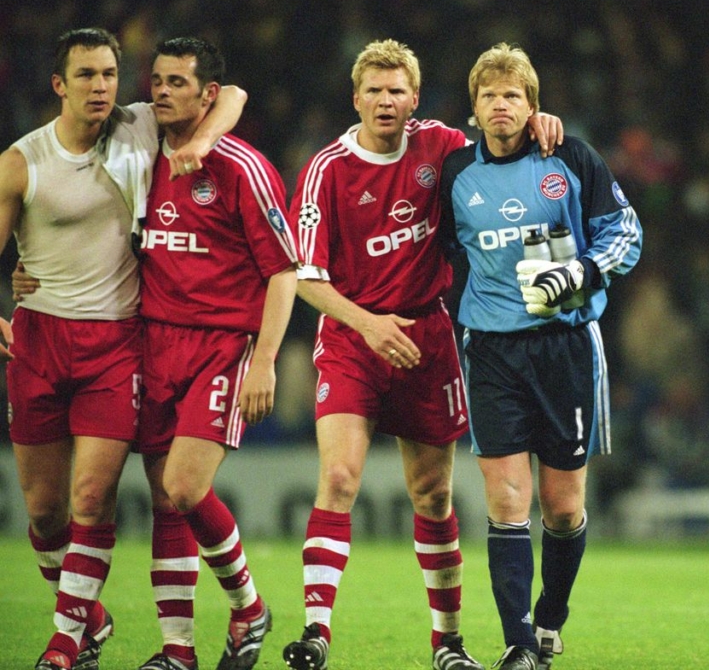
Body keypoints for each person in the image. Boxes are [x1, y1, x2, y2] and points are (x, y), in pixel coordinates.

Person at [282, 39, 561, 670]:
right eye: (373, 90)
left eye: (396, 90)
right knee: (339, 479)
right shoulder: (326, 168)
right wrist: (368, 324)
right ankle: (317, 633)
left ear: (415, 98)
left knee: (433, 497)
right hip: (354, 338)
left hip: (430, 339)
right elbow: (305, 275)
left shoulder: (442, 146)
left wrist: (540, 125)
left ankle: (448, 644)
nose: (385, 100)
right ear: (355, 99)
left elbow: (504, 145)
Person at [0, 27, 246, 670]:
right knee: (46, 511)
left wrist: (204, 141)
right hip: (40, 337)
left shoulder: (138, 124)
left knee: (90, 498)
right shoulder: (21, 162)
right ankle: (91, 615)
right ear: (59, 84)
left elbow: (233, 94)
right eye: (86, 75)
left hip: (117, 342)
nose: (100, 86)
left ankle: (64, 642)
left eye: (109, 74)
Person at [438, 43, 642, 670]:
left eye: (514, 95)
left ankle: (552, 613)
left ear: (533, 108)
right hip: (493, 350)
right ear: (474, 109)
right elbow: (445, 256)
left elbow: (627, 236)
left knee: (562, 506)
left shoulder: (571, 157)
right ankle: (520, 644)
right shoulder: (453, 173)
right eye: (490, 95)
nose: (501, 105)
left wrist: (577, 273)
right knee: (506, 501)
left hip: (566, 348)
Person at [132, 37, 298, 670]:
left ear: (206, 95)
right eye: (158, 80)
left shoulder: (241, 168)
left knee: (184, 484)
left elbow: (283, 270)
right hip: (153, 343)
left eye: (178, 81)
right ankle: (178, 653)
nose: (161, 90)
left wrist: (264, 360)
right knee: (163, 500)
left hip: (222, 348)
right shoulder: (138, 152)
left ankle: (250, 608)